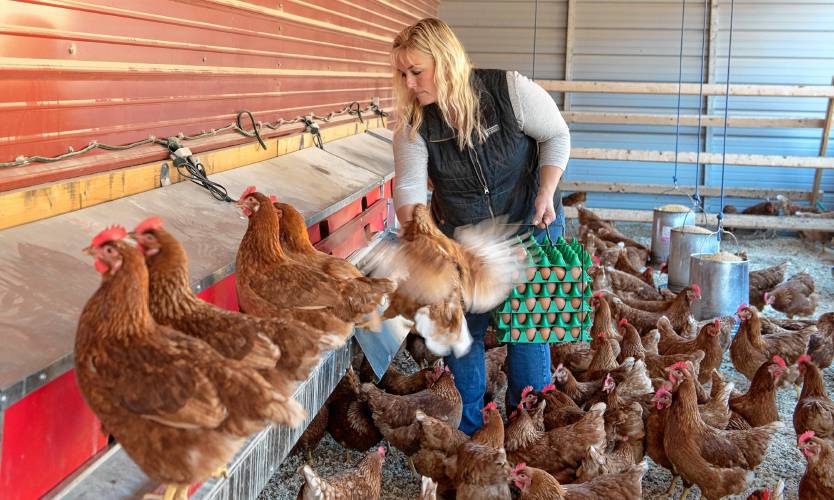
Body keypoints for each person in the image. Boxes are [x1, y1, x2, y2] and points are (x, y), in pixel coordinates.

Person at [391, 18, 571, 435]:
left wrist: (546, 190)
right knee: (463, 334)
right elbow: (410, 188)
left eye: (417, 71)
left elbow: (557, 136)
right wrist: (418, 236)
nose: (410, 82)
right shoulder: (413, 123)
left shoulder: (509, 91)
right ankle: (471, 436)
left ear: (446, 61)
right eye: (402, 73)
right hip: (463, 242)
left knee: (529, 331)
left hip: (530, 223)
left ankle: (527, 432)